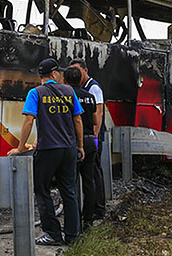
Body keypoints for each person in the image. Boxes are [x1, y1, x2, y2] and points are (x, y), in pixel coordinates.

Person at [8, 58, 85, 246]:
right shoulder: (69, 91)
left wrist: (20, 147)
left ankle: (53, 234)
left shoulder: (35, 93)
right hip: (68, 149)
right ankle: (73, 235)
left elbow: (28, 120)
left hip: (48, 149)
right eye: (58, 72)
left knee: (42, 190)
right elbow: (77, 121)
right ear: (53, 74)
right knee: (69, 191)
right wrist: (80, 146)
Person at [69, 59, 106, 219]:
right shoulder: (85, 91)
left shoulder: (94, 88)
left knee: (93, 174)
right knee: (89, 177)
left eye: (78, 70)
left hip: (89, 138)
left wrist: (95, 137)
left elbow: (99, 113)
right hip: (89, 138)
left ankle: (98, 208)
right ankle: (90, 214)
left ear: (85, 70)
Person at [64, 65, 99, 228]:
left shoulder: (67, 96)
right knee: (89, 181)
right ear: (81, 78)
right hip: (90, 140)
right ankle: (89, 219)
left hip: (74, 142)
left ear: (65, 80)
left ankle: (74, 219)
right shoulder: (90, 96)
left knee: (71, 183)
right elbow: (96, 121)